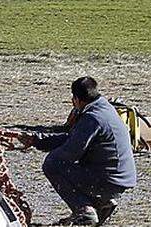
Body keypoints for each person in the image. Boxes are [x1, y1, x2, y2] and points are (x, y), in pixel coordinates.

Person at [16, 76, 137, 226]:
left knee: (52, 163)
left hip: (109, 180)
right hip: (119, 178)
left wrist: (43, 145)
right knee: (58, 161)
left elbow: (70, 152)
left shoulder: (92, 118)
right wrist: (37, 140)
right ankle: (102, 203)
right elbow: (74, 138)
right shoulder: (104, 108)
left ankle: (85, 210)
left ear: (76, 99)